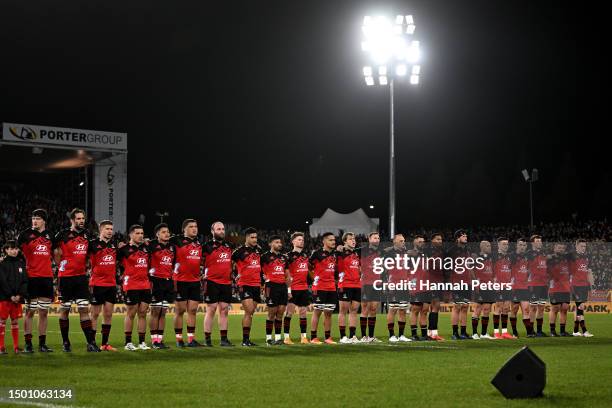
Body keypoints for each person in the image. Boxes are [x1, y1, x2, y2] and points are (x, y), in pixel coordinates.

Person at [54, 208, 99, 352]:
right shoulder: (62, 234)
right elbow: (53, 250)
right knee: (65, 310)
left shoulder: (88, 235)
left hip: (80, 278)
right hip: (65, 278)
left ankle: (91, 343)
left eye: (83, 218)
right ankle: (66, 342)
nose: (81, 221)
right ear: (72, 220)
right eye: (78, 218)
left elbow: (94, 251)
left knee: (83, 309)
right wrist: (59, 264)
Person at [17, 209, 54, 353]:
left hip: (46, 278)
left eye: (38, 218)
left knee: (43, 312)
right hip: (31, 277)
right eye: (33, 218)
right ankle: (28, 344)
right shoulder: (25, 235)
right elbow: (14, 249)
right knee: (30, 311)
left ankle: (42, 344)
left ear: (44, 220)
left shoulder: (50, 236)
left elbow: (57, 252)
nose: (34, 221)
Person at [118, 224, 152, 351]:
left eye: (142, 233)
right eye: (137, 233)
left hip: (145, 284)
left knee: (143, 313)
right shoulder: (124, 249)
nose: (140, 236)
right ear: (131, 235)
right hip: (131, 284)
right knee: (131, 313)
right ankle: (128, 342)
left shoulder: (147, 249)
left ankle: (142, 342)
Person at [171, 219, 203, 347]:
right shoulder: (177, 241)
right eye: (191, 227)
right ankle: (179, 339)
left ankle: (191, 339)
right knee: (180, 310)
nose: (194, 229)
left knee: (193, 310)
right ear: (184, 229)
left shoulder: (199, 243)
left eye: (195, 226)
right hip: (180, 280)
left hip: (195, 281)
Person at [88, 220, 119, 351]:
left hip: (111, 284)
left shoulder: (114, 245)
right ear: (101, 230)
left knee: (108, 315)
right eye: (107, 229)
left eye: (111, 229)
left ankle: (105, 344)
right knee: (94, 314)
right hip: (97, 284)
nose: (110, 231)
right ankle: (91, 343)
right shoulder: (93, 244)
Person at [202, 222, 234, 347]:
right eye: (218, 229)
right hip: (211, 281)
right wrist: (202, 273)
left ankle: (224, 339)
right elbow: (199, 261)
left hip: (226, 282)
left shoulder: (229, 246)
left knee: (224, 310)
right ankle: (207, 340)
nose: (221, 231)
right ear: (212, 231)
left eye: (222, 229)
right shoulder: (206, 246)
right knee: (211, 309)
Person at [232, 227, 262, 347]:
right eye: (252, 237)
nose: (255, 239)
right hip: (245, 284)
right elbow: (229, 263)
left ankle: (247, 339)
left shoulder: (259, 250)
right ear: (247, 238)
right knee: (249, 311)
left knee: (250, 313)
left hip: (256, 285)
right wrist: (235, 274)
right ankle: (245, 340)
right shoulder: (239, 251)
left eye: (256, 237)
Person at [147, 223, 175, 349]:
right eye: (163, 232)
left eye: (168, 231)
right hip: (156, 281)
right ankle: (154, 341)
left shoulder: (172, 246)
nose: (167, 234)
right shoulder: (151, 245)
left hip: (168, 281)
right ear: (157, 234)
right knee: (155, 311)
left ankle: (160, 339)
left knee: (163, 312)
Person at [261, 235, 290, 346]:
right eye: (277, 242)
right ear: (270, 244)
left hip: (282, 286)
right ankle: (268, 339)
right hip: (271, 286)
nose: (280, 244)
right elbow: (256, 269)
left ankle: (278, 338)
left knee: (280, 312)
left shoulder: (284, 257)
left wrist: (289, 290)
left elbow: (287, 275)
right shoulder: (264, 257)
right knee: (271, 313)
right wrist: (263, 277)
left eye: (280, 242)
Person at [310, 232, 338, 345]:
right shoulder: (317, 254)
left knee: (329, 313)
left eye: (334, 240)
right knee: (317, 312)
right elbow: (308, 267)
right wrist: (314, 278)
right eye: (331, 240)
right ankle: (313, 337)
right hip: (320, 287)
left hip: (331, 287)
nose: (333, 242)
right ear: (324, 241)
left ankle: (328, 337)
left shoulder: (335, 254)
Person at [0, 241, 27, 354]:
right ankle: (1, 347)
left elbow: (25, 281)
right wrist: (11, 295)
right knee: (2, 321)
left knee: (15, 322)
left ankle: (16, 347)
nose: (14, 251)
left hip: (17, 298)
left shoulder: (21, 263)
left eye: (16, 249)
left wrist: (20, 295)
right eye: (11, 249)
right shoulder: (2, 264)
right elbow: (2, 281)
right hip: (5, 298)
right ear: (6, 250)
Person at [283, 232, 311, 344]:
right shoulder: (288, 256)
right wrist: (288, 290)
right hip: (293, 288)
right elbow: (286, 274)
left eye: (302, 239)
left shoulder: (305, 255)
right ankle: (286, 337)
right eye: (299, 239)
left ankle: (304, 337)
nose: (301, 241)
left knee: (303, 313)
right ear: (293, 241)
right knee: (289, 313)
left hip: (303, 288)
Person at [336, 232, 361, 344]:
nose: (353, 241)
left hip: (357, 285)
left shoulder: (357, 253)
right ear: (345, 241)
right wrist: (338, 249)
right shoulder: (340, 252)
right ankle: (343, 337)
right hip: (345, 284)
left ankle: (352, 336)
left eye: (354, 239)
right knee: (343, 311)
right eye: (350, 239)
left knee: (354, 310)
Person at [385, 234, 411, 342]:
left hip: (404, 284)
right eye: (400, 241)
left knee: (403, 310)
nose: (403, 242)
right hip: (393, 284)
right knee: (393, 309)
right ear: (394, 242)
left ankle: (401, 335)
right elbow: (383, 269)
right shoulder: (388, 253)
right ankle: (391, 335)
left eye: (404, 240)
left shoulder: (406, 253)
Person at [359, 232, 383, 343]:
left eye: (378, 238)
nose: (377, 240)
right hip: (366, 283)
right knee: (365, 309)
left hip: (377, 283)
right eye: (374, 238)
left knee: (373, 309)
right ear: (369, 239)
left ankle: (371, 336)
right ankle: (364, 336)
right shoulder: (362, 250)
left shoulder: (381, 252)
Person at [510, 238, 534, 338]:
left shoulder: (528, 257)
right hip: (514, 287)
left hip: (524, 287)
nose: (522, 247)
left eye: (524, 245)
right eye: (520, 245)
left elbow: (530, 270)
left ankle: (529, 332)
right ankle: (514, 331)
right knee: (514, 310)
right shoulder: (512, 256)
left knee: (526, 309)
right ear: (516, 245)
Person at [471, 240, 495, 339]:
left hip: (489, 287)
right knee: (477, 309)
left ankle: (484, 333)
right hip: (480, 287)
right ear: (482, 247)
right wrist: (476, 283)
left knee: (487, 310)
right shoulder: (477, 259)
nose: (490, 247)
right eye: (488, 246)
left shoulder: (491, 258)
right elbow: (470, 270)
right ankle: (474, 333)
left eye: (490, 245)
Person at [570, 239, 594, 337]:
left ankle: (575, 331)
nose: (583, 248)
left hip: (584, 285)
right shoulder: (572, 257)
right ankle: (584, 331)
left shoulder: (587, 257)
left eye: (584, 246)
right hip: (575, 286)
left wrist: (591, 285)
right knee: (580, 307)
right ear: (576, 246)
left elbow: (589, 272)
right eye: (581, 246)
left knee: (578, 308)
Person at [527, 235, 548, 337]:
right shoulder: (529, 254)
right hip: (534, 284)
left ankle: (539, 331)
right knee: (533, 307)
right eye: (537, 241)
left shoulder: (544, 253)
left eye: (540, 241)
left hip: (544, 284)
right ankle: (530, 331)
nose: (540, 243)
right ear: (532, 243)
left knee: (541, 307)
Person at [548, 243, 571, 337]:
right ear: (554, 248)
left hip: (565, 288)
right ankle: (552, 331)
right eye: (559, 247)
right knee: (555, 309)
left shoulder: (567, 260)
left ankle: (562, 331)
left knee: (565, 309)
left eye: (562, 248)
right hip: (555, 288)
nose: (561, 249)